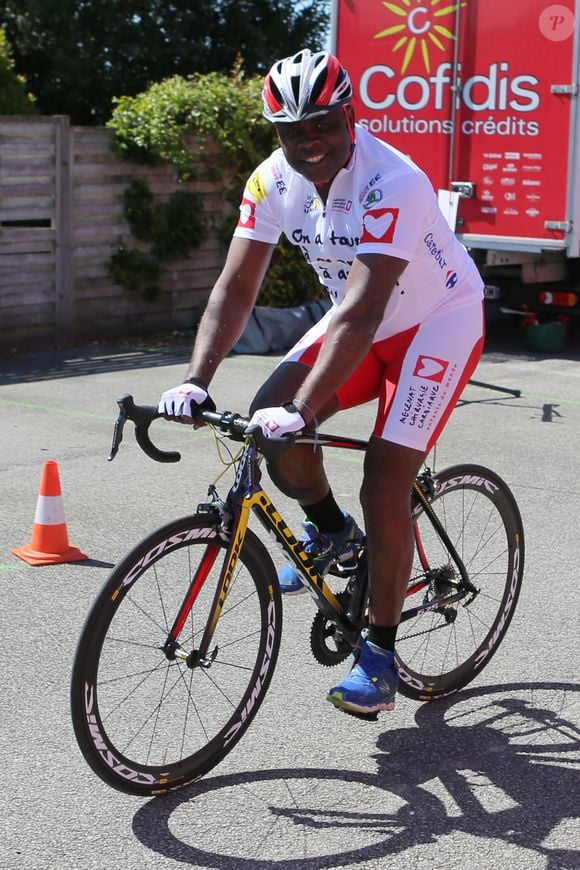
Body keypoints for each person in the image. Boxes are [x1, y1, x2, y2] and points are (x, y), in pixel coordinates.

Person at [158, 49, 485, 717]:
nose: (308, 142)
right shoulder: (270, 181)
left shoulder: (394, 180)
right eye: (292, 130)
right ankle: (333, 531)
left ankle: (381, 655)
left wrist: (306, 409)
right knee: (265, 420)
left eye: (322, 125)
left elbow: (366, 308)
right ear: (276, 132)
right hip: (359, 323)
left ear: (349, 116)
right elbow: (237, 285)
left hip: (435, 324)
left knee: (385, 481)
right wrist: (196, 378)